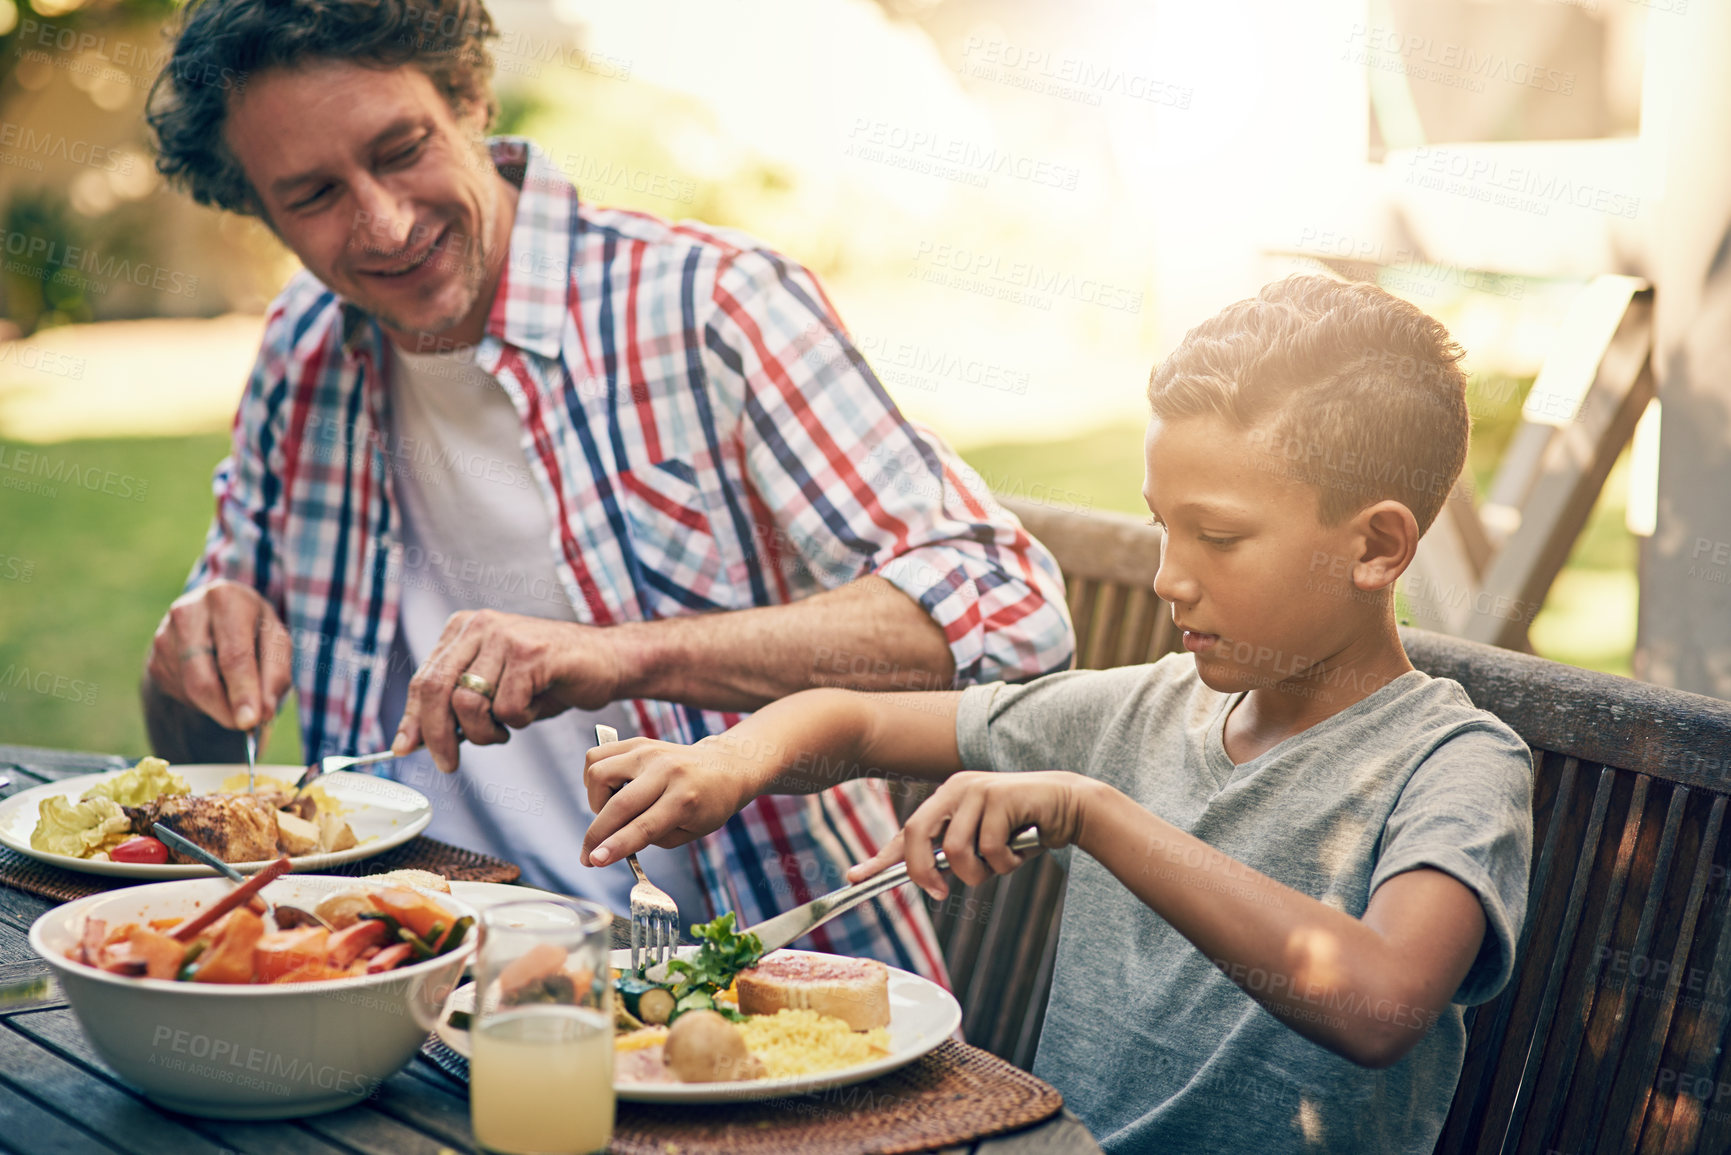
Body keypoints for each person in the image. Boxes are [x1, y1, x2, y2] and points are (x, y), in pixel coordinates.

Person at [137, 0, 1073, 982]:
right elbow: (201, 747)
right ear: (261, 210)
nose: (385, 222)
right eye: (315, 194)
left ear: (468, 98)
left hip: (743, 988)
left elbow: (1012, 612)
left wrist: (627, 656)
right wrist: (190, 659)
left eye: (402, 148)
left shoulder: (707, 304)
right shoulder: (303, 349)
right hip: (394, 975)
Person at [578, 276, 1534, 1152]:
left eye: (1218, 536)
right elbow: (856, 722)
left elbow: (1379, 1001)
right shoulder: (1147, 709)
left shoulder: (1453, 762)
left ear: (1375, 546)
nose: (1169, 579)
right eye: (1164, 527)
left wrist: (1097, 813)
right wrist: (728, 761)